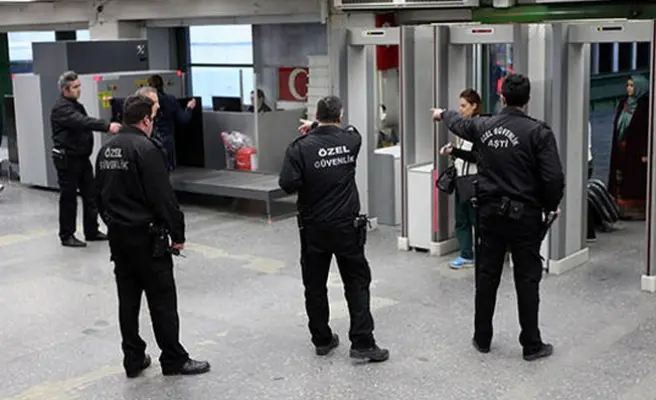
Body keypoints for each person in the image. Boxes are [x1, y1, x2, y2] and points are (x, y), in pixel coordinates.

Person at [432, 74, 565, 361]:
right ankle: (531, 344)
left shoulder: (484, 126)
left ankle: (482, 338)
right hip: (525, 216)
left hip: (489, 213)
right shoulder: (538, 132)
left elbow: (458, 123)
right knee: (527, 278)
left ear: (502, 98)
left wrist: (443, 114)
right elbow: (553, 177)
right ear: (527, 100)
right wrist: (549, 205)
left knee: (487, 274)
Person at [95, 94, 210, 377]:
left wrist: (112, 223)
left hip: (119, 238)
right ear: (146, 120)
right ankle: (173, 359)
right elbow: (163, 197)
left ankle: (133, 358)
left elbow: (98, 195)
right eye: (153, 118)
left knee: (128, 300)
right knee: (162, 300)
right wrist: (177, 233)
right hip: (147, 239)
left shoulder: (105, 150)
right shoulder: (146, 149)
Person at [279, 95, 389, 363]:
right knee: (356, 282)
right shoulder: (351, 141)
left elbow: (287, 184)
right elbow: (352, 131)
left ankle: (322, 339)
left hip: (313, 228)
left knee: (315, 284)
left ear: (316, 116)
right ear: (339, 116)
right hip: (346, 227)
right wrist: (319, 128)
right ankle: (362, 343)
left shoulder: (299, 148)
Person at [50, 70, 121, 247]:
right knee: (69, 198)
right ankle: (67, 235)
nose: (79, 89)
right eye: (75, 87)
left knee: (91, 194)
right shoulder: (62, 109)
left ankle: (91, 230)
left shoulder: (74, 105)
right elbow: (83, 121)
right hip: (68, 159)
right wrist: (107, 126)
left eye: (79, 86)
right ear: (65, 90)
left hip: (81, 158)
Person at [438, 89, 483, 269]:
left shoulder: (479, 128)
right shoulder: (463, 129)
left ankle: (481, 254)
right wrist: (453, 151)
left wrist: (455, 152)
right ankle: (466, 254)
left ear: (474, 106)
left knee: (475, 220)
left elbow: (476, 156)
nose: (461, 110)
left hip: (474, 181)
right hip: (461, 179)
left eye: (464, 106)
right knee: (461, 219)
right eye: (460, 106)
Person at [608, 75, 650, 220]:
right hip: (621, 147)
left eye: (632, 86)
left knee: (634, 179)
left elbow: (647, 130)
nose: (629, 89)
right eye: (628, 85)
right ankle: (619, 209)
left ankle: (636, 210)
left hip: (636, 150)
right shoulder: (623, 103)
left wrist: (646, 151)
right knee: (619, 176)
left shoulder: (646, 106)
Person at [147, 74, 196, 171]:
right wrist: (189, 108)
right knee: (166, 169)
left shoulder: (145, 102)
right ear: (162, 85)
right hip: (166, 141)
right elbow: (183, 118)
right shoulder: (170, 99)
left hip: (150, 141)